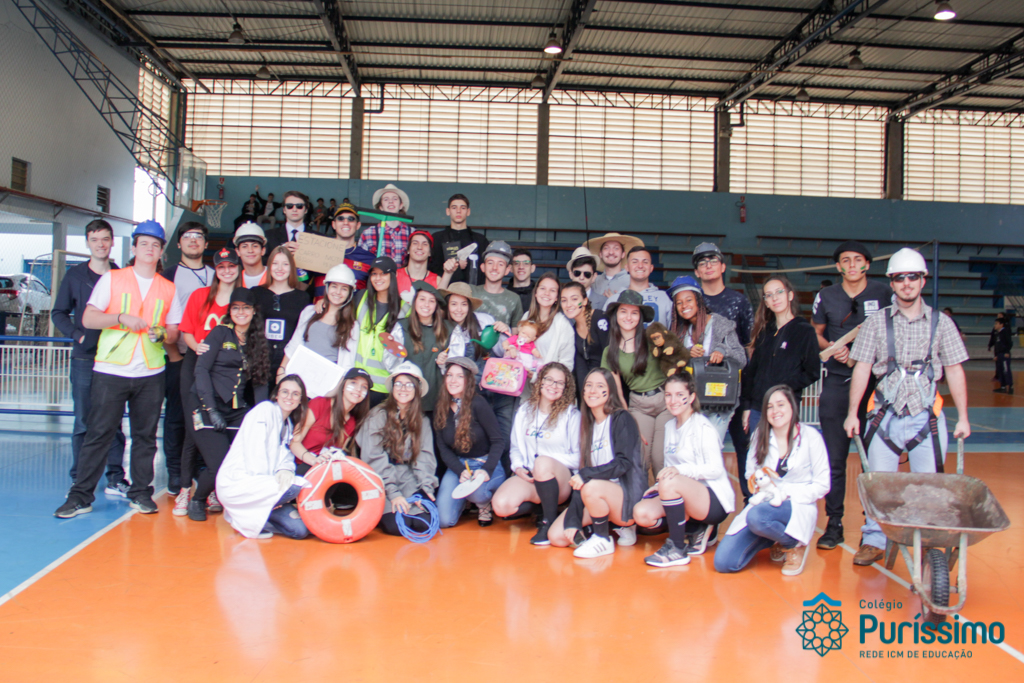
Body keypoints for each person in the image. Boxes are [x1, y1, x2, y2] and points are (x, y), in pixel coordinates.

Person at [845, 248, 970, 567]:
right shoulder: (876, 323)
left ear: (922, 280)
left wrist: (963, 418)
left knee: (929, 487)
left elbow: (955, 369)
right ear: (892, 283)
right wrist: (852, 413)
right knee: (878, 485)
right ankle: (874, 539)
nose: (906, 283)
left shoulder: (942, 324)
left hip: (926, 420)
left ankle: (928, 542)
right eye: (900, 278)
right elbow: (862, 368)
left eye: (913, 276)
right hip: (884, 419)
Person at [55, 221, 183, 519]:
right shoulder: (112, 279)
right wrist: (120, 317)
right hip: (111, 369)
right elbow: (88, 318)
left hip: (150, 371)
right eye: (144, 243)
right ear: (134, 247)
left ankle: (141, 493)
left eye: (155, 245)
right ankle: (80, 496)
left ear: (161, 251)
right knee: (98, 433)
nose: (149, 249)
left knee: (145, 437)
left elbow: (174, 331)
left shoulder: (167, 287)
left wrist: (162, 334)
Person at [812, 240, 891, 550]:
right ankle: (834, 523)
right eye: (846, 260)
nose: (852, 265)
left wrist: (866, 356)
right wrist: (834, 350)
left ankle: (875, 527)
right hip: (837, 383)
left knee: (877, 461)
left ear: (867, 264)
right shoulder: (827, 296)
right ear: (838, 266)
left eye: (858, 259)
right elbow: (817, 333)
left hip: (876, 387)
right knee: (835, 460)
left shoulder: (884, 293)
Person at [714, 385, 830, 576]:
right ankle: (775, 537)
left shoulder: (811, 437)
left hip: (796, 504)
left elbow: (822, 484)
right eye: (769, 407)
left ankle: (793, 544)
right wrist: (766, 490)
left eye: (780, 405)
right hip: (765, 504)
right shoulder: (760, 435)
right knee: (724, 562)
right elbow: (750, 474)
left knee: (758, 517)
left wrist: (785, 494)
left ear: (792, 406)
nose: (775, 411)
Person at [51, 219, 127, 494]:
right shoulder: (75, 276)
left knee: (114, 420)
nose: (100, 244)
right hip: (85, 358)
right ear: (87, 243)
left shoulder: (121, 275)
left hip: (115, 357)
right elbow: (58, 312)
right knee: (84, 420)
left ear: (112, 242)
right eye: (95, 240)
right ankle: (80, 477)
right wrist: (78, 335)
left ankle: (115, 477)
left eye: (105, 239)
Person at [634, 371, 735, 566]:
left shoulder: (702, 427)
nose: (673, 401)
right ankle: (694, 528)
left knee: (670, 482)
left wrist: (680, 472)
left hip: (713, 499)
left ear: (691, 397)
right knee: (641, 513)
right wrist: (659, 486)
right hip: (684, 492)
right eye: (668, 395)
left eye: (680, 395)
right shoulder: (670, 426)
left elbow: (715, 469)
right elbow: (670, 468)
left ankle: (677, 548)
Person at [187, 288, 271, 522]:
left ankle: (235, 499)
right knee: (219, 463)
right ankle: (198, 498)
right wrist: (211, 409)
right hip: (206, 404)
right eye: (236, 308)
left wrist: (262, 417)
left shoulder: (257, 340)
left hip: (235, 408)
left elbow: (260, 382)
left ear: (253, 311)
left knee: (248, 456)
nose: (240, 312)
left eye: (246, 308)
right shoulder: (220, 333)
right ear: (230, 311)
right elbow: (201, 370)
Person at [548, 368, 645, 558]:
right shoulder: (588, 426)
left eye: (600, 386)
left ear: (610, 391)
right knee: (557, 536)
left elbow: (623, 464)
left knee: (591, 485)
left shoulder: (621, 418)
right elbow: (582, 477)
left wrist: (586, 475)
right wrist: (574, 521)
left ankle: (604, 538)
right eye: (589, 385)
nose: (593, 390)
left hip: (625, 499)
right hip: (595, 496)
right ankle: (596, 528)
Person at [175, 247, 242, 516]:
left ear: (238, 268)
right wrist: (198, 347)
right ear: (216, 270)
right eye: (221, 267)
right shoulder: (200, 295)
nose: (226, 271)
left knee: (221, 430)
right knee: (193, 431)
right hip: (198, 365)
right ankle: (184, 489)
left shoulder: (241, 299)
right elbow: (187, 331)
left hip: (225, 372)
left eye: (231, 266)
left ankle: (213, 486)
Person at [691, 242, 755, 505]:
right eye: (702, 263)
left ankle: (750, 501)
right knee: (699, 448)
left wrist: (746, 390)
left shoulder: (738, 301)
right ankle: (702, 506)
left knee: (743, 445)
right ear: (696, 271)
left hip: (733, 388)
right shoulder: (691, 301)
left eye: (713, 261)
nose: (708, 266)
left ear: (723, 266)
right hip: (698, 391)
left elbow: (748, 345)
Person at [492, 363, 580, 546]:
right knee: (501, 505)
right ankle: (542, 509)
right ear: (540, 382)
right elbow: (515, 447)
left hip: (561, 479)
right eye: (549, 380)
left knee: (542, 463)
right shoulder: (525, 410)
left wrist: (545, 461)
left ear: (566, 388)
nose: (553, 386)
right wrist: (518, 467)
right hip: (532, 475)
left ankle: (548, 523)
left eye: (560, 383)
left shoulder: (571, 415)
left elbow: (580, 458)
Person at [216, 375, 311, 539]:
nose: (289, 397)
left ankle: (258, 515)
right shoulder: (264, 410)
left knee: (300, 530)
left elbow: (286, 458)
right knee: (295, 487)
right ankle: (248, 517)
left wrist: (285, 470)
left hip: (263, 488)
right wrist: (268, 487)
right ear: (277, 394)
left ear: (300, 400)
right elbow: (255, 455)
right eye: (285, 392)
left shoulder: (288, 425)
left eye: (295, 394)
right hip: (240, 484)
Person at [161, 222, 215, 494]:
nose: (193, 240)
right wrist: (174, 355)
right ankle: (175, 472)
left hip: (210, 361)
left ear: (206, 244)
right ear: (179, 243)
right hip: (180, 356)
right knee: (176, 416)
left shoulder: (216, 275)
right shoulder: (169, 275)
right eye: (187, 236)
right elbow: (162, 318)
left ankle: (200, 468)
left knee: (206, 416)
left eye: (199, 236)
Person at [355, 362, 438, 536]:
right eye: (398, 383)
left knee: (423, 524)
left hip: (409, 479)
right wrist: (393, 493)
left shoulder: (422, 421)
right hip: (382, 481)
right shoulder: (377, 416)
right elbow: (373, 457)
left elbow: (425, 458)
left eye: (409, 384)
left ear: (417, 389)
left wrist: (424, 490)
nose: (403, 389)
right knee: (397, 526)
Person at [668, 276, 747, 442]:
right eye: (679, 303)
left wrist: (722, 351)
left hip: (719, 405)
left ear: (699, 300)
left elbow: (741, 358)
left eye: (689, 300)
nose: (684, 305)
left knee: (711, 449)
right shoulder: (679, 331)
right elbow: (671, 366)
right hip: (691, 405)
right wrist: (686, 353)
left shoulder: (721, 324)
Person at [601, 290, 671, 475]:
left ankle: (665, 493)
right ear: (616, 315)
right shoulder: (610, 351)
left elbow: (674, 364)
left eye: (634, 313)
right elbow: (616, 390)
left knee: (660, 459)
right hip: (638, 406)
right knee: (640, 458)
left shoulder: (653, 339)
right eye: (623, 311)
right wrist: (628, 419)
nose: (628, 317)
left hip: (664, 401)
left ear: (640, 317)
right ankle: (641, 495)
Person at [741, 275, 820, 436]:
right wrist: (747, 406)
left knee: (783, 450)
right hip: (758, 407)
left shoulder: (804, 331)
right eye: (769, 295)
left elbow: (812, 372)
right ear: (766, 302)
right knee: (758, 451)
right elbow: (751, 373)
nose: (775, 298)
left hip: (785, 406)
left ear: (790, 295)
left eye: (779, 292)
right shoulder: (764, 331)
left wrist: (784, 387)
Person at [434, 357, 506, 528]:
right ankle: (463, 501)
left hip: (484, 463)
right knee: (443, 520)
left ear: (468, 380)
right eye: (449, 375)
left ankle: (483, 504)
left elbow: (498, 441)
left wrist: (487, 469)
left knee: (477, 493)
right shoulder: (441, 406)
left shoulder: (478, 403)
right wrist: (459, 471)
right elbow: (443, 448)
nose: (453, 380)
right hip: (460, 466)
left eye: (460, 376)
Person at [468, 241, 524, 452]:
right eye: (490, 263)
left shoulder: (513, 299)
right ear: (482, 267)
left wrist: (507, 331)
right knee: (473, 429)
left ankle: (502, 467)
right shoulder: (471, 292)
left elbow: (518, 337)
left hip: (502, 372)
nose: (494, 268)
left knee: (503, 430)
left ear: (508, 269)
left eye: (501, 264)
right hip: (473, 367)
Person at [279, 264, 358, 382]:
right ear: (327, 287)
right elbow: (294, 344)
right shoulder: (309, 312)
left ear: (350, 293)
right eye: (334, 286)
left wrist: (336, 389)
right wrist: (281, 370)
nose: (338, 292)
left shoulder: (352, 325)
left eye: (344, 289)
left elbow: (347, 363)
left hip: (326, 382)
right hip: (299, 377)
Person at [290, 367, 371, 474]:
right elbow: (294, 442)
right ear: (343, 385)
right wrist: (313, 460)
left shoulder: (352, 423)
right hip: (301, 466)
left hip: (325, 471)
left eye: (364, 387)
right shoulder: (319, 404)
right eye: (353, 383)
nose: (358, 389)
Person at [252, 246, 312, 385]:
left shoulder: (302, 298)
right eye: (275, 263)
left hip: (288, 361)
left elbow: (302, 333)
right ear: (269, 266)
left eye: (285, 264)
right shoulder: (256, 293)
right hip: (259, 359)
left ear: (292, 268)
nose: (280, 268)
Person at [391, 281, 450, 414]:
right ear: (414, 302)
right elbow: (391, 365)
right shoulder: (401, 327)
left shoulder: (450, 330)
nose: (426, 305)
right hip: (405, 400)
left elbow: (456, 367)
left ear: (436, 306)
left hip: (437, 401)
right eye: (422, 299)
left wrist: (445, 363)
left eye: (431, 301)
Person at [353, 256, 403, 404]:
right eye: (374, 274)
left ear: (393, 276)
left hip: (384, 387)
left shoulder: (405, 310)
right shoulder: (361, 297)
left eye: (383, 273)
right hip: (357, 382)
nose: (378, 278)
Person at [310, 202, 375, 298]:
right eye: (340, 218)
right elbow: (300, 286)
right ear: (333, 224)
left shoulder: (369, 259)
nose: (345, 222)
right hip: (321, 307)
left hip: (354, 308)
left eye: (351, 219)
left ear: (358, 225)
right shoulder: (317, 251)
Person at [560, 281, 609, 402]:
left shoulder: (599, 318)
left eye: (574, 299)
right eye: (564, 300)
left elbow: (611, 358)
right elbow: (580, 370)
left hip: (608, 386)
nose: (569, 304)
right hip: (589, 391)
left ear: (585, 301)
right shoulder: (572, 331)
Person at [429, 194, 489, 285]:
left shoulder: (480, 240)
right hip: (444, 290)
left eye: (463, 208)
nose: (458, 211)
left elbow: (484, 271)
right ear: (448, 211)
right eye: (454, 207)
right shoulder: (437, 238)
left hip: (473, 291)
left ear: (468, 211)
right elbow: (432, 269)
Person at [605, 247, 671, 327]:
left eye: (645, 262)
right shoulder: (614, 300)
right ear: (627, 267)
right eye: (635, 262)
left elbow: (673, 331)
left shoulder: (664, 298)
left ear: (651, 268)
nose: (640, 266)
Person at [437, 282, 497, 365]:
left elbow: (501, 352)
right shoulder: (439, 328)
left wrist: (502, 333)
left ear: (469, 306)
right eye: (454, 304)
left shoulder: (484, 321)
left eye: (464, 304)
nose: (459, 309)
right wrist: (441, 362)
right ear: (447, 306)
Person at [358, 183, 413, 265]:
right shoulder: (368, 234)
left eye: (395, 199)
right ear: (380, 207)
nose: (390, 201)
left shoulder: (412, 233)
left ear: (401, 205)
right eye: (386, 199)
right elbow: (361, 263)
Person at [586, 232, 644, 306]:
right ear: (600, 254)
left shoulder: (632, 281)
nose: (611, 252)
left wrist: (616, 301)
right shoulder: (593, 281)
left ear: (623, 254)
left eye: (616, 248)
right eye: (606, 248)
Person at [396, 230, 452, 298]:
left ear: (430, 252)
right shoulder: (395, 276)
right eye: (415, 243)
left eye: (425, 244)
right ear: (408, 250)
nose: (419, 247)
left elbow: (440, 302)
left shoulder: (437, 281)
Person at [264, 190, 311, 258]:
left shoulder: (319, 239)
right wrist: (280, 250)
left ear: (306, 210)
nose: (294, 209)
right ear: (284, 210)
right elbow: (262, 261)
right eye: (289, 206)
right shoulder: (268, 236)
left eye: (299, 206)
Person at [566, 246, 607, 311]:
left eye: (587, 274)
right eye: (577, 273)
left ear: (594, 277)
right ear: (571, 274)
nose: (581, 277)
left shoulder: (604, 302)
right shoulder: (561, 301)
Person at [234, 223, 268, 288]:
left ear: (263, 250)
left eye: (255, 246)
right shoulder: (235, 279)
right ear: (237, 252)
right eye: (244, 246)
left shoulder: (274, 275)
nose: (250, 250)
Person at [508, 247, 536, 313]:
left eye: (526, 263)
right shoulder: (504, 295)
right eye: (516, 263)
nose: (521, 267)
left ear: (532, 268)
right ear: (511, 268)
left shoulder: (539, 295)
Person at [991, 314, 1013, 393]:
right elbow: (997, 345)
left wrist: (1006, 352)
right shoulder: (997, 333)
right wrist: (996, 355)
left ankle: (1009, 386)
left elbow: (1009, 343)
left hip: (1004, 354)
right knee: (1000, 371)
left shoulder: (1005, 332)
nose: (995, 325)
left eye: (996, 324)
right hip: (999, 354)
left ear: (1001, 325)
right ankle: (1003, 386)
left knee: (1006, 370)